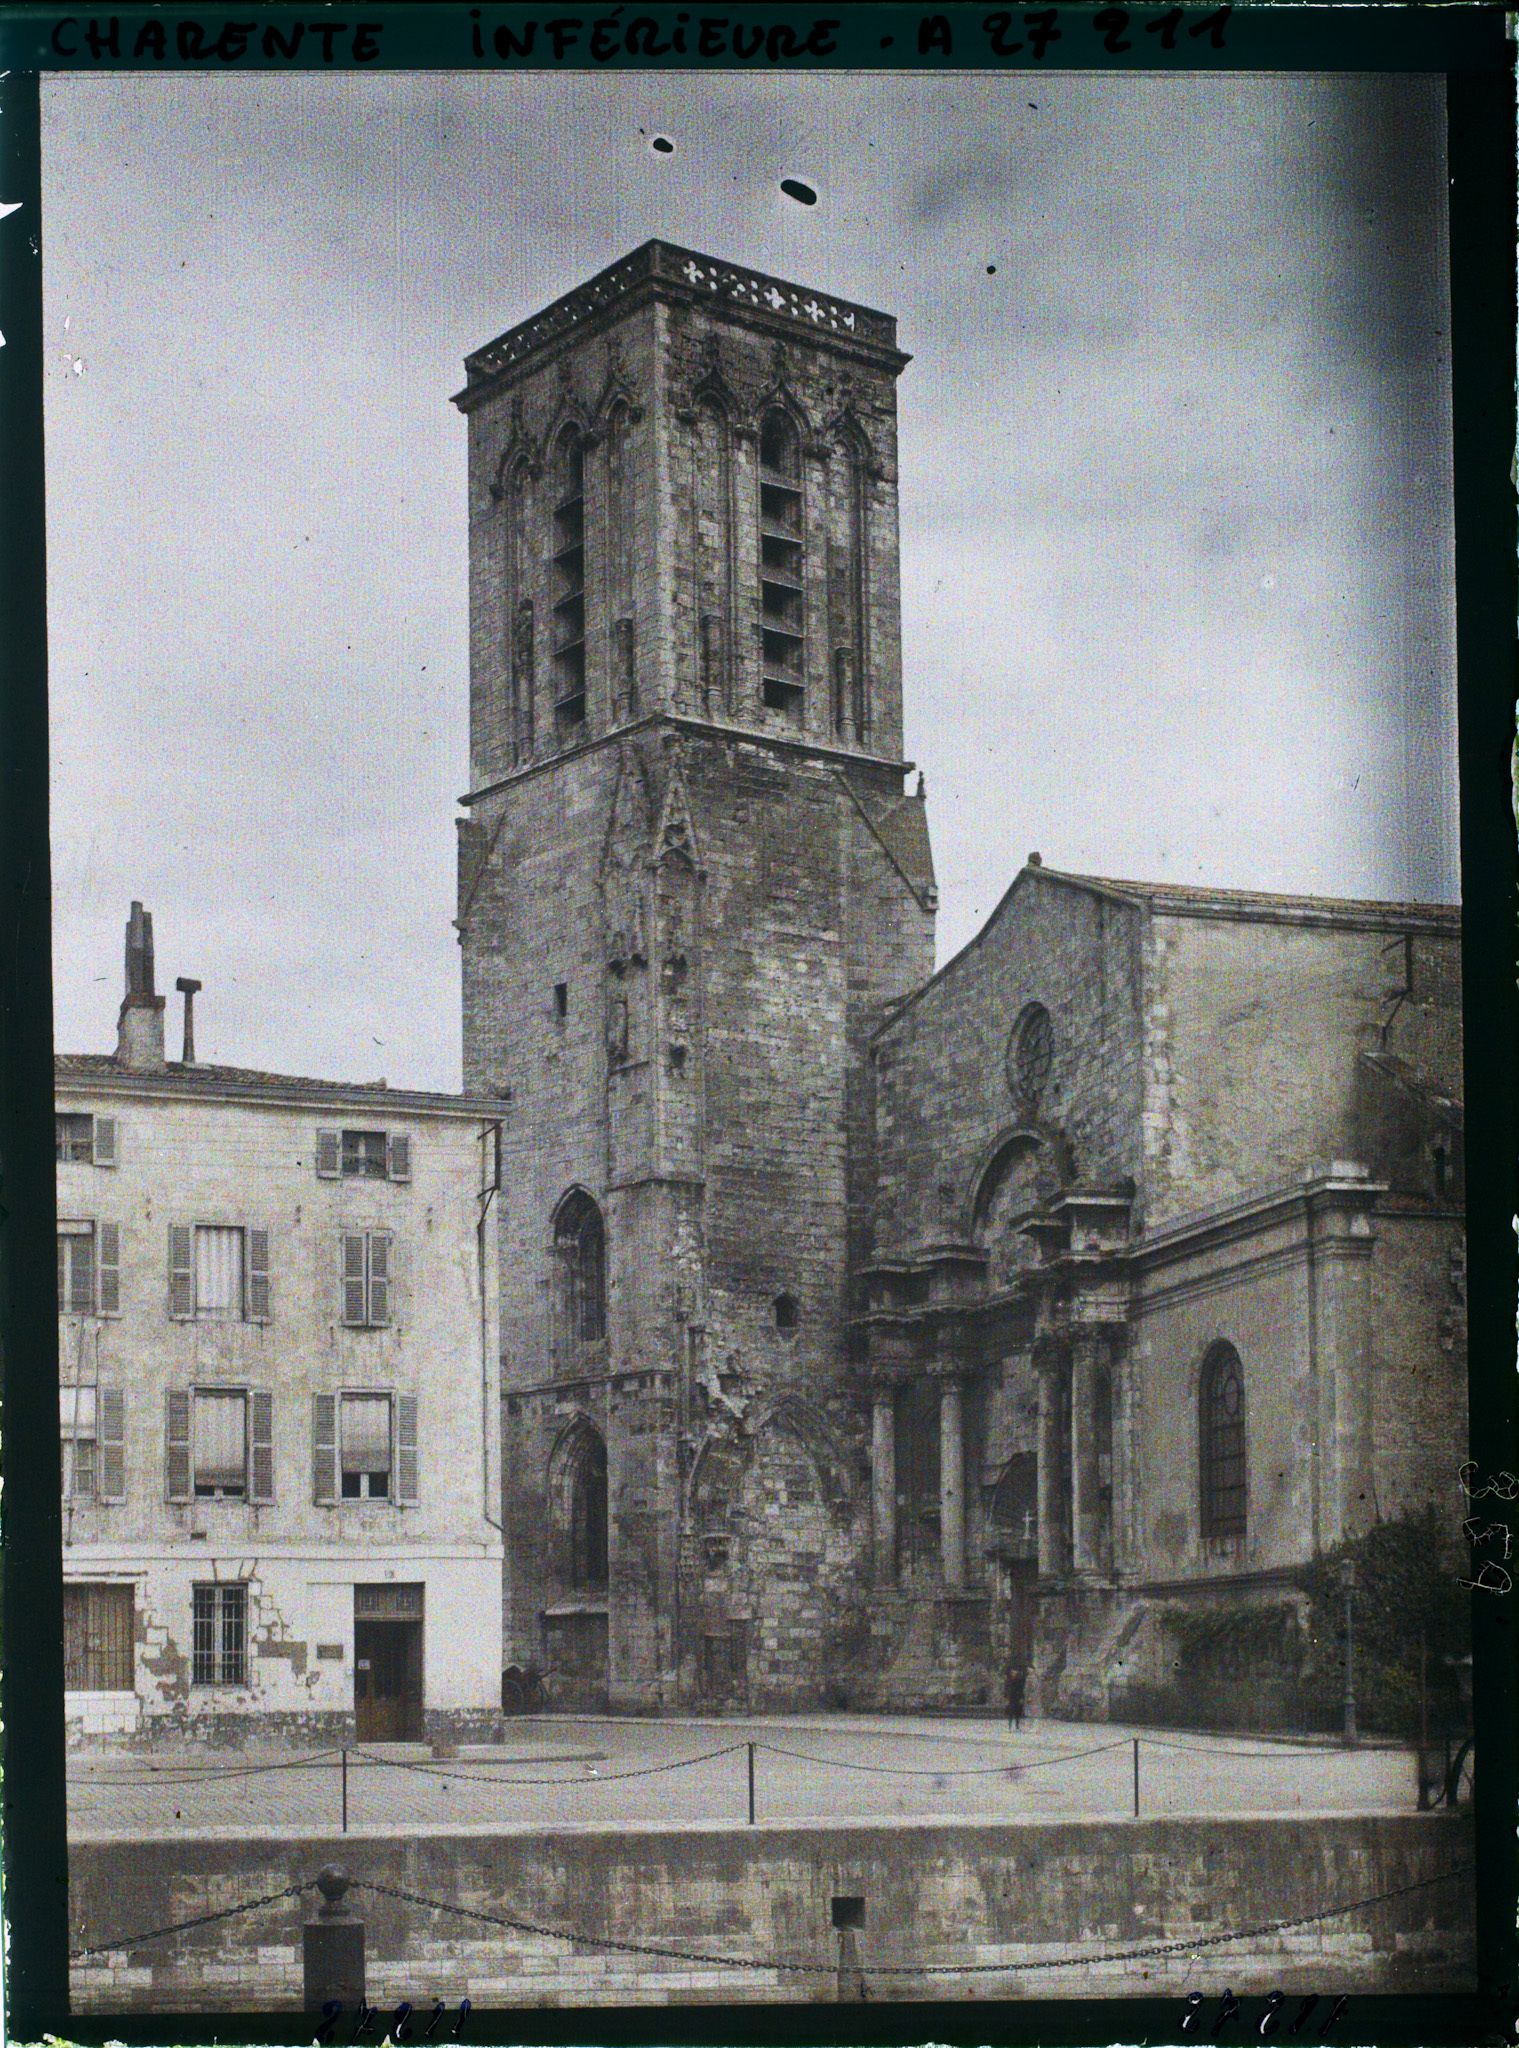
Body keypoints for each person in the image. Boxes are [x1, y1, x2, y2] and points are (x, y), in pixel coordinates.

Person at [1005, 1662, 1027, 1732]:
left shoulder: (1019, 1681)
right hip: (1011, 1698)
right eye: (1012, 1672)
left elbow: (1021, 1690)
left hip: (1017, 1698)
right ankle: (1010, 1726)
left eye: (1014, 1672)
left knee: (1018, 1713)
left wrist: (1022, 1698)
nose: (1013, 1673)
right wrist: (1006, 1697)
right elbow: (1006, 1689)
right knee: (1011, 1713)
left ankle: (1017, 1726)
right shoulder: (1009, 1681)